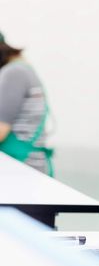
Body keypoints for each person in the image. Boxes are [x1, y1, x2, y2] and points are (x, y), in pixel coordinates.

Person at [0, 32, 53, 175]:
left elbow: (1, 130)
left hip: (20, 170)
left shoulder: (13, 73)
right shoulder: (23, 69)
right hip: (29, 167)